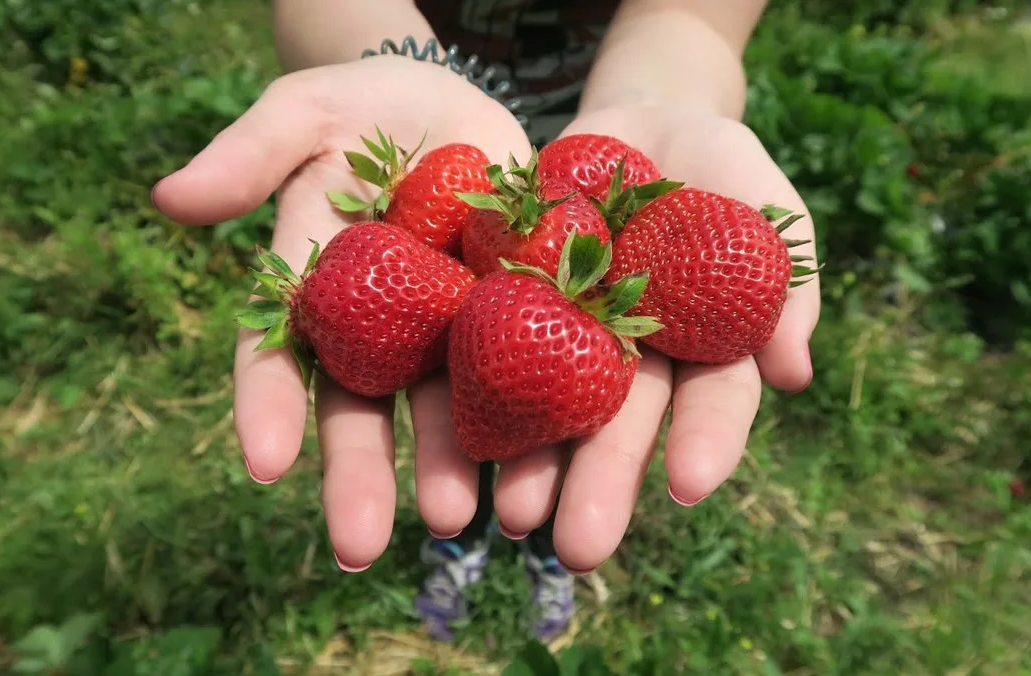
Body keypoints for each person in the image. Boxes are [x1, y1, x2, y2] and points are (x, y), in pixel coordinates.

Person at [151, 0, 821, 643]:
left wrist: (667, 103)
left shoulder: (585, 262)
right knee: (475, 453)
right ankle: (463, 542)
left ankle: (542, 555)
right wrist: (391, 61)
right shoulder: (487, 244)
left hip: (600, 140)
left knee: (551, 467)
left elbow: (691, 12)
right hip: (440, 113)